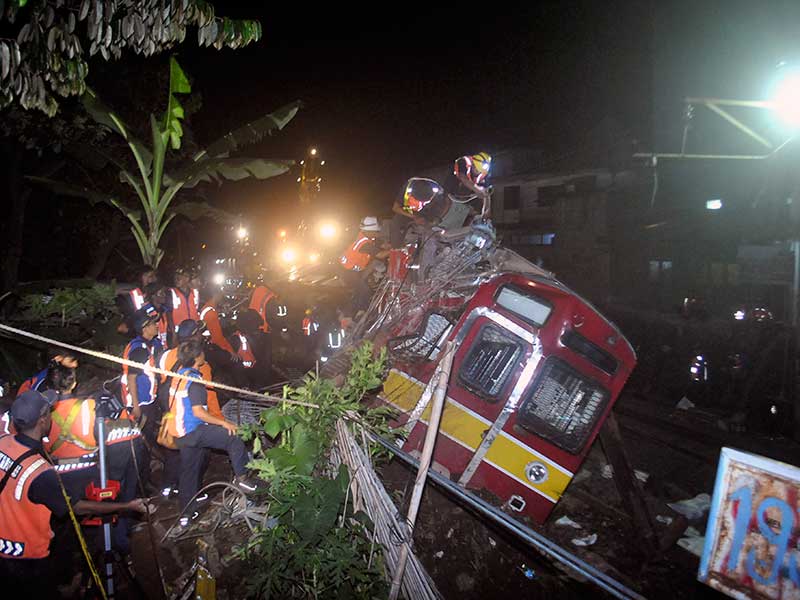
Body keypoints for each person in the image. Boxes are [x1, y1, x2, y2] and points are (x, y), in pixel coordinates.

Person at [0, 390, 147, 595]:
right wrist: (127, 506)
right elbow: (76, 507)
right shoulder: (38, 472)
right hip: (27, 559)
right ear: (42, 420)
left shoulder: (4, 443)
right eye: (49, 412)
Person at [41, 363, 143, 556]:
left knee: (68, 525)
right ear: (74, 383)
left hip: (59, 476)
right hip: (89, 473)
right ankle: (118, 542)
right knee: (114, 494)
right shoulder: (88, 407)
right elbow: (103, 434)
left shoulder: (44, 413)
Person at [166, 340, 258, 518]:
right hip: (193, 431)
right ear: (196, 357)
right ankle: (244, 481)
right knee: (233, 437)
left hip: (179, 434)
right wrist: (223, 423)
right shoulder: (195, 380)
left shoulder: (178, 376)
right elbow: (199, 412)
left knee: (189, 471)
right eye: (201, 352)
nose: (204, 354)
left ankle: (187, 513)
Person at [339, 216, 389, 315]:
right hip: (348, 272)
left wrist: (385, 246)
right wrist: (394, 250)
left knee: (360, 289)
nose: (377, 233)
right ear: (369, 231)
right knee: (364, 290)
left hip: (352, 269)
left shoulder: (364, 236)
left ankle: (353, 309)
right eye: (375, 231)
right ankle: (360, 313)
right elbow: (380, 255)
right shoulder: (364, 244)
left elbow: (375, 246)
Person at [170, 267, 200, 334]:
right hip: (180, 332)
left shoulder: (195, 293)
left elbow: (196, 310)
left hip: (194, 330)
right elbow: (168, 314)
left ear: (187, 278)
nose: (176, 280)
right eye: (175, 278)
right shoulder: (171, 293)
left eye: (179, 278)